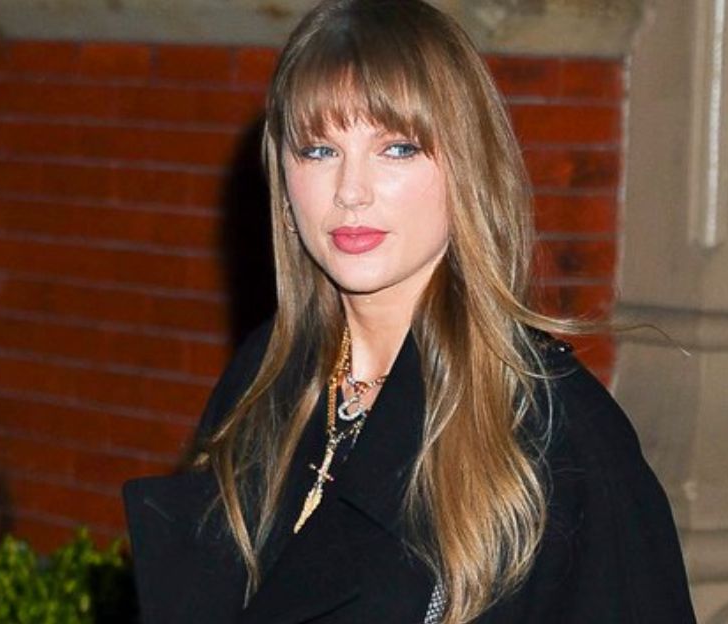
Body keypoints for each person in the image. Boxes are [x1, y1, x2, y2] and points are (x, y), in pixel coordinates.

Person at [122, 0, 696, 621]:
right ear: (283, 182)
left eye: (397, 148)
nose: (351, 191)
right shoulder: (265, 380)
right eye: (319, 150)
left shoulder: (556, 430)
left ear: (467, 170)